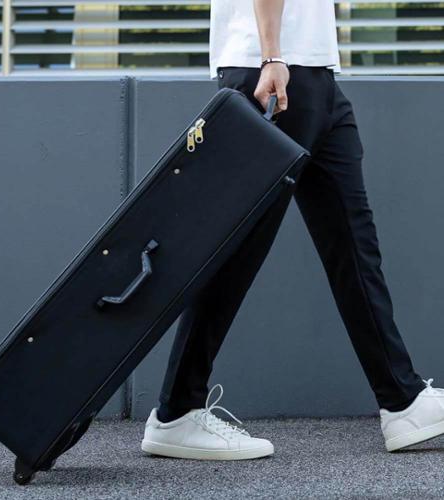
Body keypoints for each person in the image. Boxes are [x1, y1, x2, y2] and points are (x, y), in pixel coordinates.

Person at [141, 0, 444, 460]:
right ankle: (176, 412)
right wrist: (272, 55)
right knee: (238, 253)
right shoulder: (273, 63)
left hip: (315, 76)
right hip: (274, 75)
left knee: (354, 247)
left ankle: (403, 401)